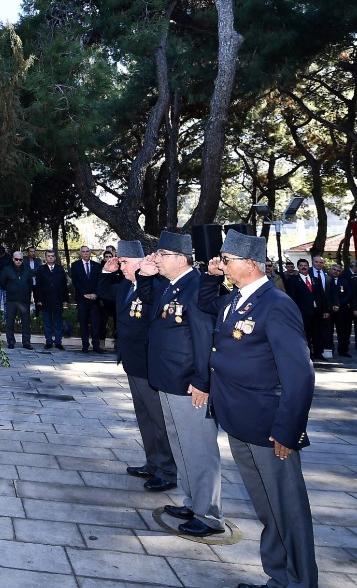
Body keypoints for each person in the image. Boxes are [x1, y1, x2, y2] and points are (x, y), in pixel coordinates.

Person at [200, 231, 318, 588]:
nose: (222, 265)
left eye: (227, 259)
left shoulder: (276, 304)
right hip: (239, 421)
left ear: (249, 264)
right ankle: (279, 577)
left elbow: (299, 373)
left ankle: (299, 582)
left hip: (269, 427)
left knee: (287, 510)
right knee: (267, 508)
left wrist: (288, 429)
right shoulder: (234, 300)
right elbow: (209, 316)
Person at [140, 231, 225, 538]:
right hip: (168, 380)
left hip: (189, 383)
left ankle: (210, 515)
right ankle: (193, 502)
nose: (156, 259)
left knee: (199, 449)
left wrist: (203, 380)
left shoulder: (197, 285)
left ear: (180, 258)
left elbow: (205, 337)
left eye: (161, 254)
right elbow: (152, 312)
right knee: (181, 445)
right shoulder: (170, 286)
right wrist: (147, 278)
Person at [100, 241, 177, 492]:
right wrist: (106, 272)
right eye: (120, 263)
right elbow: (102, 293)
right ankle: (152, 463)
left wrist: (147, 275)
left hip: (148, 363)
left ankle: (168, 470)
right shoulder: (124, 287)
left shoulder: (155, 287)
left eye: (123, 262)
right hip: (131, 361)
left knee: (158, 418)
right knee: (144, 416)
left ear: (138, 262)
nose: (120, 266)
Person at [34, 249, 69, 350]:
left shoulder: (60, 269)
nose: (50, 257)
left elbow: (64, 285)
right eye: (48, 256)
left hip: (58, 299)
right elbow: (38, 286)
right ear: (45, 257)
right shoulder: (41, 269)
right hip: (45, 299)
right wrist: (39, 299)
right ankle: (49, 341)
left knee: (58, 321)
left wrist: (65, 300)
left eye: (52, 256)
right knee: (47, 321)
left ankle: (58, 341)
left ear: (55, 257)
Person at [0, 250, 34, 349]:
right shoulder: (7, 269)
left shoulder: (27, 269)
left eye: (20, 259)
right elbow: (2, 283)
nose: (18, 261)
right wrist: (11, 290)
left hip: (24, 300)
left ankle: (26, 342)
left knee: (26, 322)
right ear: (13, 259)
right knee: (10, 321)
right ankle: (11, 341)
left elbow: (30, 283)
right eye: (16, 259)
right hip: (11, 300)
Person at [71, 245, 103, 353]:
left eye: (87, 251)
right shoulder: (75, 266)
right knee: (83, 323)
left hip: (95, 300)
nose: (85, 253)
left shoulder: (97, 266)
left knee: (95, 323)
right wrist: (84, 293)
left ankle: (96, 345)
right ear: (80, 253)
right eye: (83, 251)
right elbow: (75, 282)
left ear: (90, 253)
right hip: (82, 299)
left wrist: (95, 294)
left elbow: (100, 282)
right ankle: (85, 345)